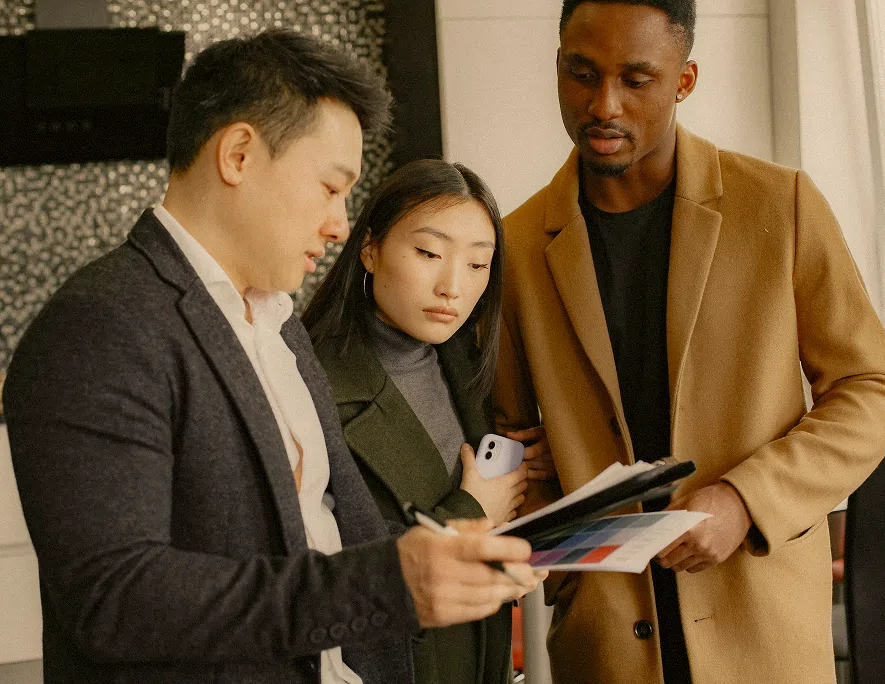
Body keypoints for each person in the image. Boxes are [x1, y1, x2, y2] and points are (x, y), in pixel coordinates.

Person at [3, 30, 543, 684]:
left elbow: (335, 533)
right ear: (237, 154)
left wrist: (464, 555)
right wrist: (384, 583)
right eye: (329, 186)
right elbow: (116, 597)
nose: (341, 223)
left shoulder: (277, 322)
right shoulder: (101, 324)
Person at [494, 2, 885, 684]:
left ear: (684, 80)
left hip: (761, 633)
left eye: (635, 79)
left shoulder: (780, 204)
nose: (602, 104)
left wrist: (743, 499)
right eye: (579, 74)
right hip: (605, 649)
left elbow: (870, 391)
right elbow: (512, 443)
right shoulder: (514, 246)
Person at [303, 158, 554, 684]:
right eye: (429, 253)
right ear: (369, 249)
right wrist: (471, 510)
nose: (452, 287)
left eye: (478, 265)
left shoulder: (468, 363)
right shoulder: (310, 382)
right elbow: (327, 572)